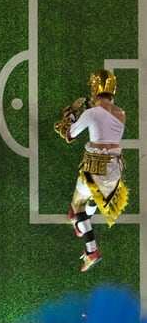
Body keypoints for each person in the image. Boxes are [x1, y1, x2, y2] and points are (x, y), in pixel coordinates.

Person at [54, 69, 128, 271]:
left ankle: (91, 248)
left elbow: (69, 134)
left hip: (95, 168)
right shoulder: (121, 114)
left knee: (76, 205)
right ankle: (82, 223)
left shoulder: (91, 113)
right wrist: (88, 109)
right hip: (115, 171)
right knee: (95, 198)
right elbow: (103, 120)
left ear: (95, 88)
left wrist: (71, 112)